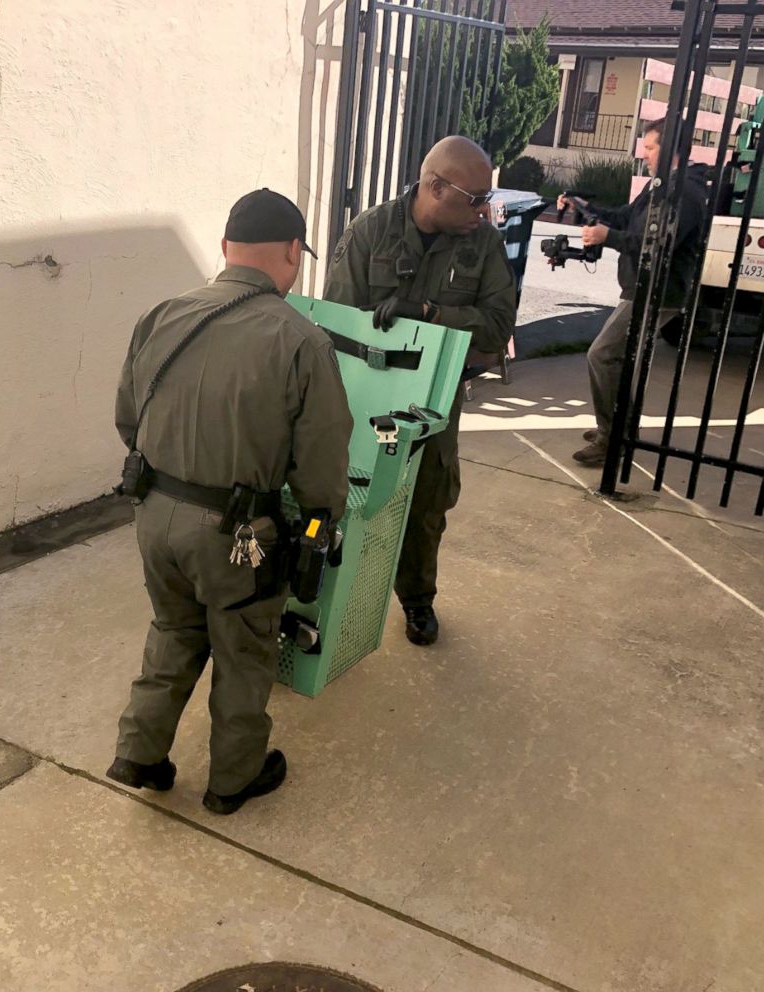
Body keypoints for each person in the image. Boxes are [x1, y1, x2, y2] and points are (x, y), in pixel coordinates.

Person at [107, 189, 353, 815]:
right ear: (294, 254)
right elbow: (322, 467)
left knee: (173, 629)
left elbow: (128, 420)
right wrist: (320, 527)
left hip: (154, 516)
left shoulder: (160, 315)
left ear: (224, 249)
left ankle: (139, 752)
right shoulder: (301, 341)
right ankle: (234, 778)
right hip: (237, 533)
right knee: (244, 651)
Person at [323, 136, 516, 647]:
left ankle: (417, 599)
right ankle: (334, 597)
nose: (484, 209)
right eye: (475, 198)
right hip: (365, 395)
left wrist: (431, 316)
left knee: (428, 501)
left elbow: (497, 329)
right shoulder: (372, 232)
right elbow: (337, 326)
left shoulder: (483, 244)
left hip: (436, 397)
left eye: (487, 198)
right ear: (435, 187)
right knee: (349, 498)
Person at [561, 118, 709, 466]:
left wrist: (605, 237)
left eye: (650, 148)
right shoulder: (660, 186)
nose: (644, 155)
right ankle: (620, 431)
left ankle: (612, 438)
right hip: (641, 288)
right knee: (621, 359)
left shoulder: (685, 193)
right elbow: (627, 218)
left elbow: (658, 246)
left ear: (671, 149)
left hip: (659, 292)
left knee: (602, 355)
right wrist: (586, 207)